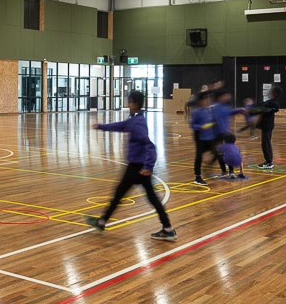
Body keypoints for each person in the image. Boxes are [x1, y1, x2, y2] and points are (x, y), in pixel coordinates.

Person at [87, 89, 176, 241]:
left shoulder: (137, 123)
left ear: (134, 103)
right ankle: (167, 228)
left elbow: (149, 146)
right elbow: (121, 126)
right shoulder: (136, 119)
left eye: (129, 101)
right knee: (149, 198)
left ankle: (102, 221)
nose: (128, 104)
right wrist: (101, 126)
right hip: (138, 167)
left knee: (119, 195)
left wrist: (148, 167)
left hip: (137, 168)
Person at [189, 89, 216, 184]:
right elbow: (192, 125)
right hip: (200, 137)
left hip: (210, 136)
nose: (207, 101)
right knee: (199, 156)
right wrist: (201, 127)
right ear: (200, 101)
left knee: (217, 153)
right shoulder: (196, 112)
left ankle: (207, 168)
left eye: (208, 99)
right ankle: (197, 177)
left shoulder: (209, 110)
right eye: (205, 99)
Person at [253, 88, 281, 169]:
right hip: (266, 125)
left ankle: (269, 162)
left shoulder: (273, 103)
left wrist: (263, 109)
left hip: (267, 125)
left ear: (274, 93)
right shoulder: (269, 102)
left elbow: (275, 108)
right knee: (265, 143)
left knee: (266, 144)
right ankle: (268, 161)